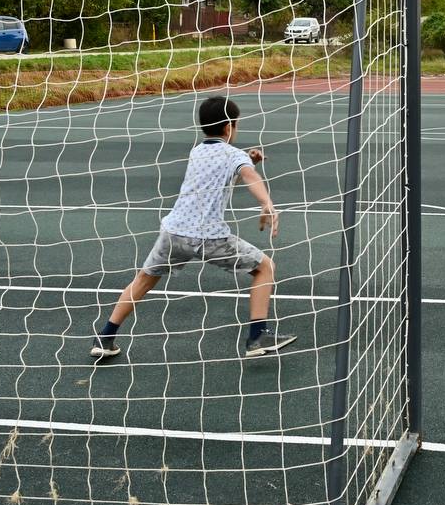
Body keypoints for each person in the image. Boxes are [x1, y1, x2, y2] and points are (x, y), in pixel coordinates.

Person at [90, 96, 295, 361]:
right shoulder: (234, 155)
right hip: (208, 237)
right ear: (229, 127)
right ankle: (258, 336)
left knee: (144, 279)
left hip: (173, 233)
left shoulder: (196, 152)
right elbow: (249, 176)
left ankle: (105, 337)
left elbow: (225, 172)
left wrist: (248, 159)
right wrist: (266, 202)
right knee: (265, 267)